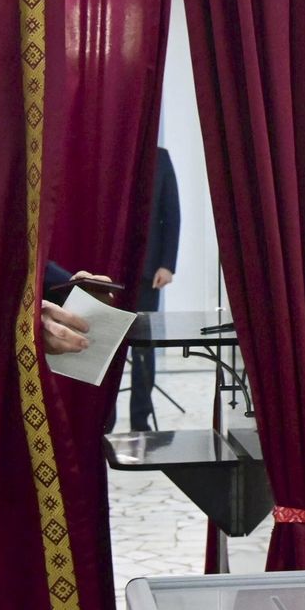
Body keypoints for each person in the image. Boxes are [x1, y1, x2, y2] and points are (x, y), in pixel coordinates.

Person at [128, 147, 180, 431]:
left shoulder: (159, 157)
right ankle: (103, 420)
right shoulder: (108, 148)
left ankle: (141, 418)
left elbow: (172, 215)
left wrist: (167, 265)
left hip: (148, 273)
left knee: (143, 348)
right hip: (108, 271)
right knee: (104, 346)